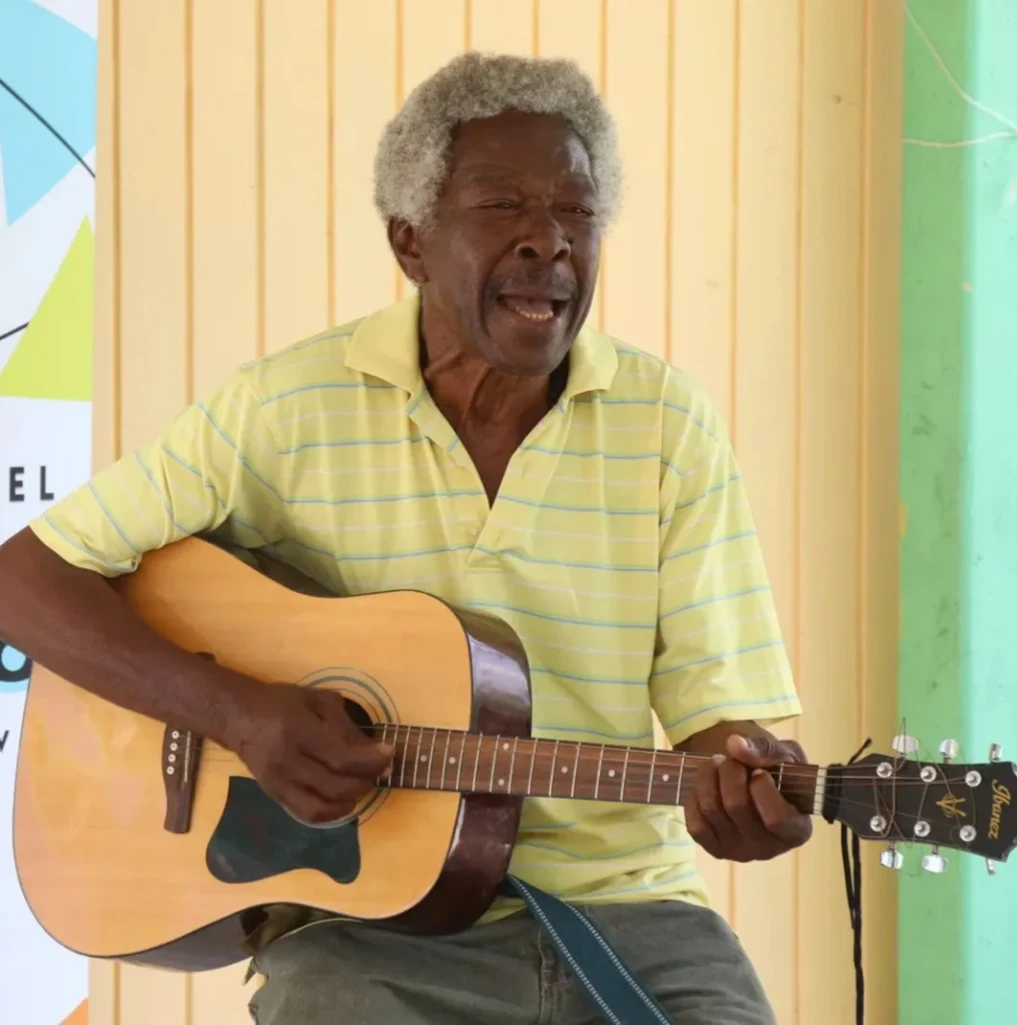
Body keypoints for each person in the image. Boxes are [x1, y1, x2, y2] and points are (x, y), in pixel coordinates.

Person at [0, 52, 810, 1025]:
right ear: (411, 242)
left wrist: (746, 792)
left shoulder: (666, 423)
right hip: (366, 927)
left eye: (575, 212)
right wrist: (238, 710)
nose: (547, 242)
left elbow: (717, 720)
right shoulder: (286, 406)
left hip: (623, 904)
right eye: (502, 206)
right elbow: (25, 579)